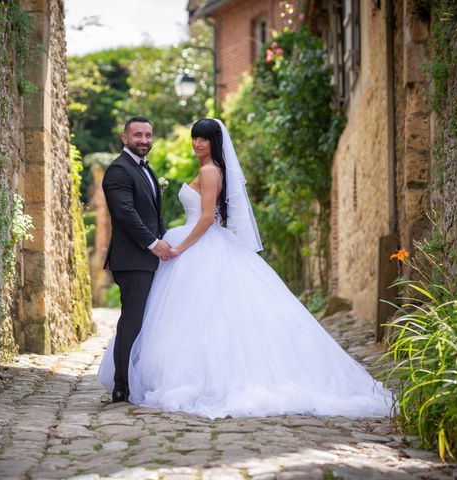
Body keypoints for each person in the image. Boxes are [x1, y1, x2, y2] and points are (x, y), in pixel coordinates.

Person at [98, 118, 393, 419]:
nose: (197, 144)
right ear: (125, 137)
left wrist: (178, 247)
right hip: (168, 248)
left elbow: (205, 220)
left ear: (216, 143)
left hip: (192, 245)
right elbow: (133, 212)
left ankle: (150, 381)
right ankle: (129, 381)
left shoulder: (210, 172)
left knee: (199, 316)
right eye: (195, 138)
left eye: (204, 139)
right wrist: (162, 242)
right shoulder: (129, 171)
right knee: (174, 316)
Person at [101, 116, 173, 403]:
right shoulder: (118, 171)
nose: (144, 140)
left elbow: (153, 215)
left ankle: (135, 379)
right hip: (132, 259)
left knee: (144, 320)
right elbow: (125, 214)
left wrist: (165, 238)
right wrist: (154, 243)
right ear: (124, 138)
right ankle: (122, 386)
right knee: (132, 321)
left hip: (147, 258)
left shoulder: (146, 170)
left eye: (148, 135)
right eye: (138, 135)